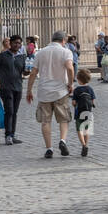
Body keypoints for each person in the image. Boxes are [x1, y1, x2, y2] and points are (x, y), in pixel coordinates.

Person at [27, 30, 75, 158]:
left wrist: (29, 90)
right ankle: (62, 140)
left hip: (44, 91)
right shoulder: (66, 52)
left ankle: (49, 148)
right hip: (61, 91)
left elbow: (33, 73)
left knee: (45, 121)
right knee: (63, 119)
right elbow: (70, 68)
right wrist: (71, 84)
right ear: (63, 40)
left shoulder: (40, 53)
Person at [0, 34, 25, 145]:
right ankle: (8, 135)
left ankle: (12, 134)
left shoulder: (22, 57)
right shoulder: (2, 56)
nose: (17, 45)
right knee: (9, 110)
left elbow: (24, 71)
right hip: (5, 87)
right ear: (10, 43)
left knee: (15, 112)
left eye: (19, 43)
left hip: (18, 86)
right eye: (15, 43)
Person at [72, 67, 96, 156]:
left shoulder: (77, 90)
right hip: (88, 112)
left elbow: (74, 102)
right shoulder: (90, 89)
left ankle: (83, 145)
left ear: (78, 79)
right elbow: (93, 101)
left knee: (79, 130)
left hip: (79, 112)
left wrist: (75, 105)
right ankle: (86, 144)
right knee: (86, 130)